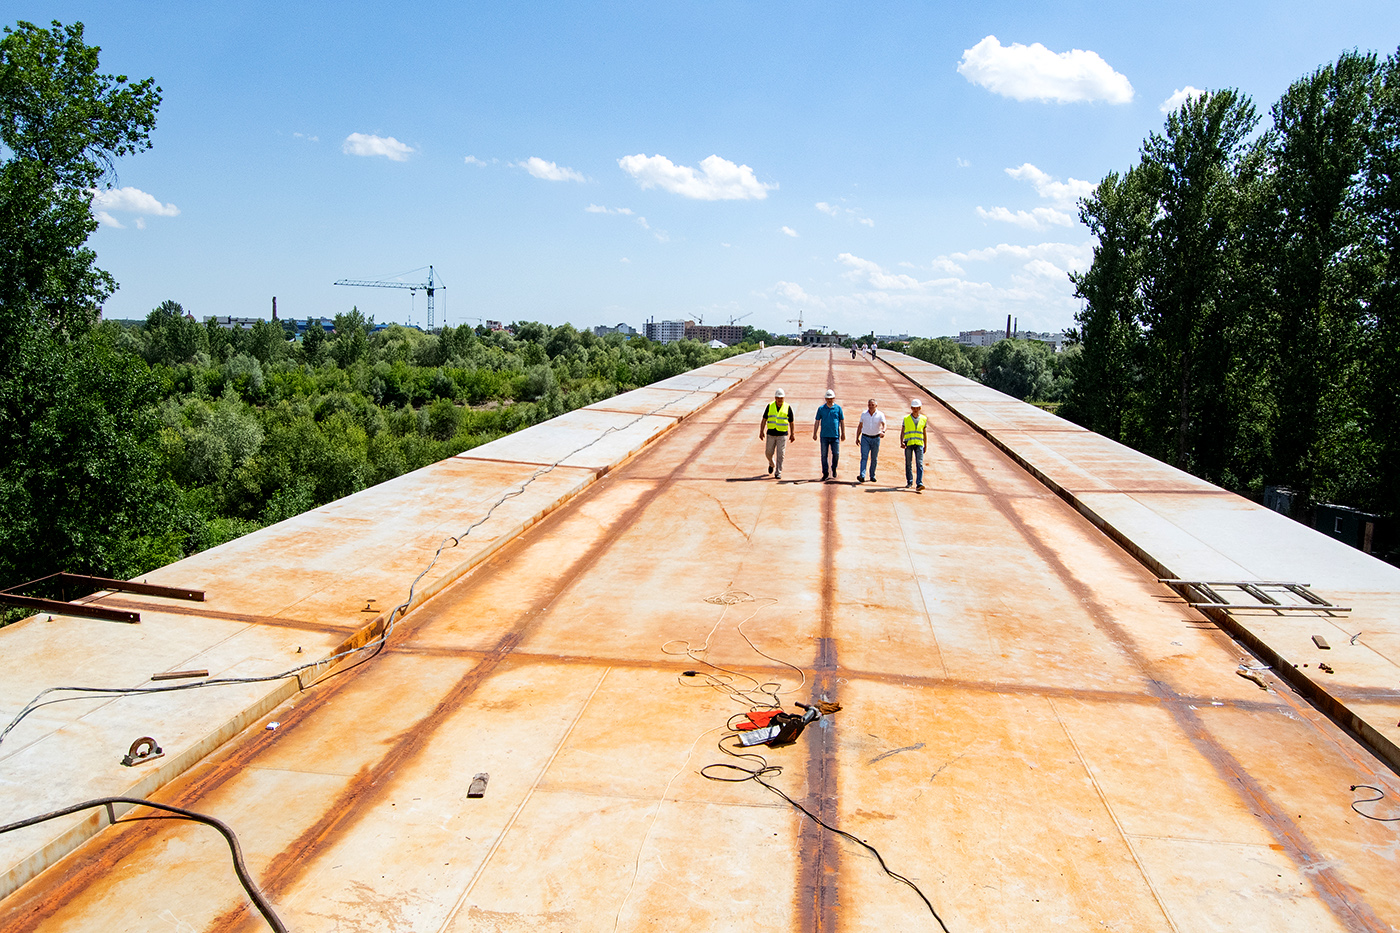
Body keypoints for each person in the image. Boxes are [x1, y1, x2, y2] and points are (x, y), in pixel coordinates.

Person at [759, 388, 796, 479]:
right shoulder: (770, 406)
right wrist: (761, 431)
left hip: (782, 435)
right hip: (771, 434)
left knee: (780, 454)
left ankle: (778, 472)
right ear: (775, 398)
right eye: (778, 398)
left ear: (784, 398)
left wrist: (792, 434)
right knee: (768, 452)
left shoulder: (787, 407)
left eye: (781, 398)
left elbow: (791, 422)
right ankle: (771, 463)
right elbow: (764, 419)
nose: (780, 400)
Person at [812, 389, 845, 481]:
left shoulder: (838, 409)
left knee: (836, 454)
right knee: (824, 455)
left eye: (831, 398)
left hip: (835, 436)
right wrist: (814, 433)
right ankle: (825, 472)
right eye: (828, 398)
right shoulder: (821, 409)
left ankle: (834, 467)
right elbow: (817, 421)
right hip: (824, 436)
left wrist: (843, 433)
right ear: (825, 398)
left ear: (834, 398)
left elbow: (842, 421)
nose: (829, 400)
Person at [855, 398, 886, 483]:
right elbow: (860, 425)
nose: (871, 407)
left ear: (876, 406)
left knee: (874, 458)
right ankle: (862, 475)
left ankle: (872, 475)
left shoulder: (880, 414)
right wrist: (857, 437)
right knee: (864, 457)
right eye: (869, 405)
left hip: (876, 438)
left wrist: (883, 431)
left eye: (872, 405)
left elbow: (884, 424)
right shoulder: (864, 414)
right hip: (865, 438)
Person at [901, 398, 928, 491]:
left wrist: (925, 444)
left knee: (919, 464)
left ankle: (919, 483)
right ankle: (909, 481)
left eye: (917, 408)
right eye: (914, 408)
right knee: (908, 463)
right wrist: (901, 441)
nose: (915, 409)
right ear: (911, 408)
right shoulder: (906, 418)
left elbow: (924, 432)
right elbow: (903, 431)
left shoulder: (924, 419)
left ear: (920, 408)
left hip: (919, 444)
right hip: (909, 443)